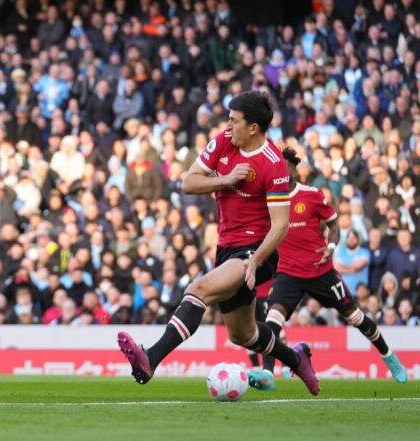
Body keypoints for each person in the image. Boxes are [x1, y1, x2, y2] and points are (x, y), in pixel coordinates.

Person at [117, 91, 320, 395]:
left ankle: (151, 359)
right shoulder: (225, 139)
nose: (228, 125)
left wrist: (255, 261)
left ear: (253, 128)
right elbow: (188, 181)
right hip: (227, 249)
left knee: (199, 289)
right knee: (243, 334)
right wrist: (224, 180)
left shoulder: (273, 164)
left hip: (257, 252)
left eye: (234, 120)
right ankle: (297, 358)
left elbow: (280, 225)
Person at [249, 149, 407, 390]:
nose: (280, 171)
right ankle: (267, 373)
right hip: (288, 273)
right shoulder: (270, 199)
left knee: (355, 316)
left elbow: (334, 225)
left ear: (293, 170)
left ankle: (388, 355)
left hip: (320, 271)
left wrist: (331, 246)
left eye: (284, 167)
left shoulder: (312, 195)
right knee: (273, 319)